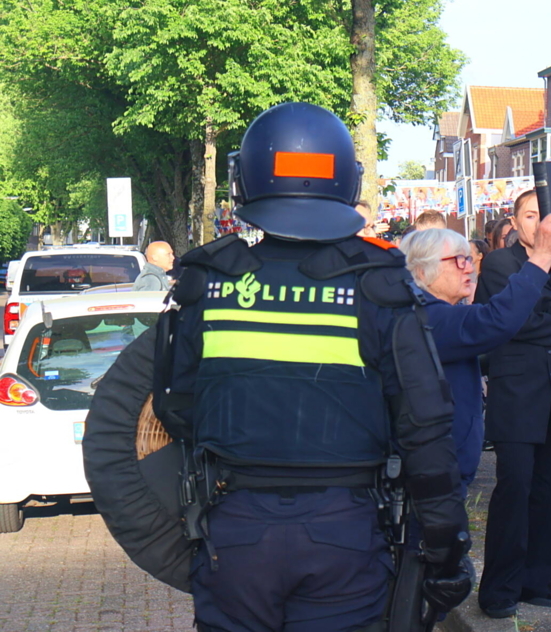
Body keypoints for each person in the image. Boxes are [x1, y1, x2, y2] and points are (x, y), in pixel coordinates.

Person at [163, 102, 471, 632]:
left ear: (245, 180)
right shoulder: (379, 285)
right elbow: (424, 428)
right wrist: (446, 547)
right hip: (346, 535)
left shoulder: (205, 282)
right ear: (347, 182)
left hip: (234, 533)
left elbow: (176, 406)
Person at [475, 190, 551, 619]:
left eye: (545, 216)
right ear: (515, 222)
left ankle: (539, 583)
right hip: (516, 395)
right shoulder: (499, 264)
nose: (539, 223)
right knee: (514, 491)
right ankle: (500, 588)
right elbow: (513, 323)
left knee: (550, 493)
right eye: (530, 215)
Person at [402, 223, 551, 494]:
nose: (469, 267)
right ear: (421, 270)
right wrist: (542, 257)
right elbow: (496, 320)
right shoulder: (428, 318)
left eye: (468, 258)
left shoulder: (425, 314)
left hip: (438, 472)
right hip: (430, 479)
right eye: (457, 260)